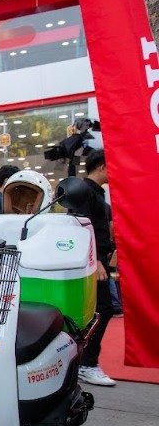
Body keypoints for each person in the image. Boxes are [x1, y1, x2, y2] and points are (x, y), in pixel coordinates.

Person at [74, 150, 117, 386]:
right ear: (101, 166)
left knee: (99, 311)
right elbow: (83, 227)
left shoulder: (95, 192)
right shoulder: (84, 191)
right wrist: (97, 260)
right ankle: (87, 363)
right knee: (103, 310)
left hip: (98, 259)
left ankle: (85, 361)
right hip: (93, 262)